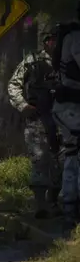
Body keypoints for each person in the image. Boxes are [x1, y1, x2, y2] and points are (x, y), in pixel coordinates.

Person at [8, 23, 61, 219]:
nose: (54, 43)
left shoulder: (68, 61)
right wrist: (23, 106)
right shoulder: (32, 61)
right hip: (38, 118)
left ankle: (55, 201)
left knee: (61, 161)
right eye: (52, 39)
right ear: (47, 41)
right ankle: (40, 204)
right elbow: (14, 85)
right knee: (40, 160)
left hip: (64, 120)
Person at [51, 15, 80, 225]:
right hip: (72, 107)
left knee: (72, 153)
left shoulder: (70, 35)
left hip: (68, 107)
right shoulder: (76, 37)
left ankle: (69, 203)